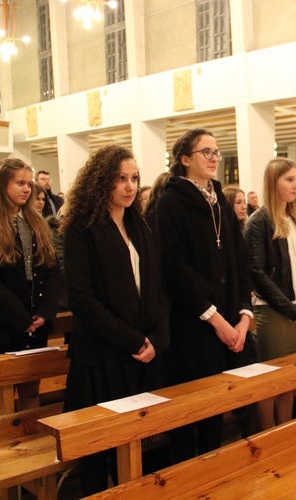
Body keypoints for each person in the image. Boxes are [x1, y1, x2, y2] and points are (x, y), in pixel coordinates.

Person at [61, 145, 168, 494]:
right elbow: (82, 298)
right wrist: (133, 340)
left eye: (134, 178)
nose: (129, 186)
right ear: (101, 181)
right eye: (120, 178)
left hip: (141, 351)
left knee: (136, 442)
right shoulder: (83, 227)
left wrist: (156, 338)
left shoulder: (139, 223)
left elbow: (157, 286)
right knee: (99, 449)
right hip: (102, 356)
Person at [155, 129, 252, 461]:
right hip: (192, 324)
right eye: (205, 152)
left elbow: (240, 260)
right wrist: (215, 318)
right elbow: (174, 268)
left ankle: (213, 474)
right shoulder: (170, 202)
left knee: (217, 408)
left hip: (227, 323)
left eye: (216, 153)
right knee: (189, 410)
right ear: (185, 160)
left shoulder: (220, 200)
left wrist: (242, 315)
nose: (213, 158)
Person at [0, 159, 63, 410]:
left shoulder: (35, 220)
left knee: (31, 388)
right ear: (2, 185)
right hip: (1, 321)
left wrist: (44, 311)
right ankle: (3, 446)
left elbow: (53, 269)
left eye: (28, 184)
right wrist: (21, 318)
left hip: (34, 316)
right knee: (2, 393)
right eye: (19, 183)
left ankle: (31, 445)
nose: (27, 189)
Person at [244, 158, 296, 430]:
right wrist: (292, 309)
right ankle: (266, 437)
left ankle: (284, 432)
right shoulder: (259, 220)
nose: (295, 185)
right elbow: (257, 273)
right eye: (289, 179)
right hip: (273, 311)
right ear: (273, 181)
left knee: (289, 380)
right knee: (270, 381)